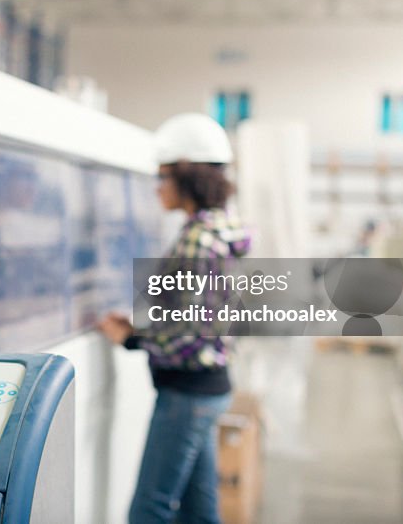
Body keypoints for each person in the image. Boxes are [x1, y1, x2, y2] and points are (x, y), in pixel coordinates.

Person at [98, 113, 250, 524]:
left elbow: (192, 333)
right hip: (206, 387)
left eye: (162, 176)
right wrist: (139, 325)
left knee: (149, 509)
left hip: (188, 393)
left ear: (189, 178)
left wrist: (131, 338)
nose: (157, 187)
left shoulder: (197, 240)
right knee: (200, 512)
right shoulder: (220, 229)